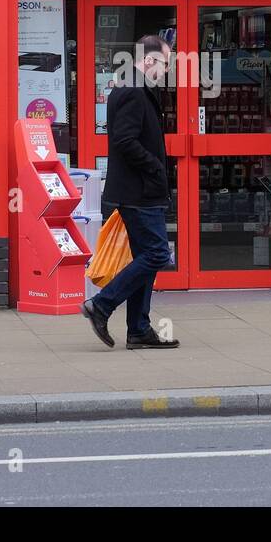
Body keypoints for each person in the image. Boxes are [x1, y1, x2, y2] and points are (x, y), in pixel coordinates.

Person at [81, 35, 180, 350]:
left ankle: (138, 329)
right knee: (157, 254)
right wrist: (155, 167)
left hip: (139, 190)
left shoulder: (133, 88)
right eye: (164, 65)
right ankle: (102, 304)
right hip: (138, 192)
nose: (165, 72)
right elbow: (125, 141)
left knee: (144, 257)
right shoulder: (133, 92)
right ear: (149, 61)